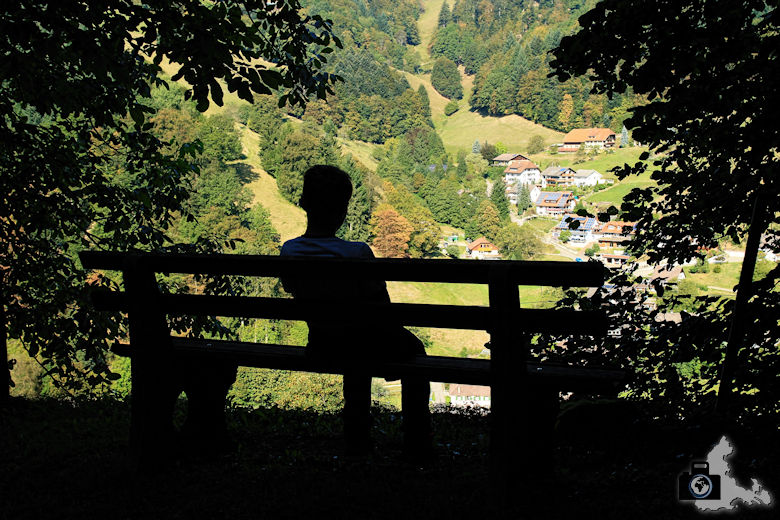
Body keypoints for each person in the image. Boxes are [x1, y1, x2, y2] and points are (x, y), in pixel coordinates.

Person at [280, 164, 432, 460]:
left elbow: (291, 289)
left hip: (322, 343)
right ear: (342, 210)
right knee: (413, 350)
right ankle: (417, 441)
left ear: (303, 204)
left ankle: (357, 442)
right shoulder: (358, 253)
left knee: (354, 347)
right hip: (362, 342)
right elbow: (382, 305)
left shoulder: (290, 251)